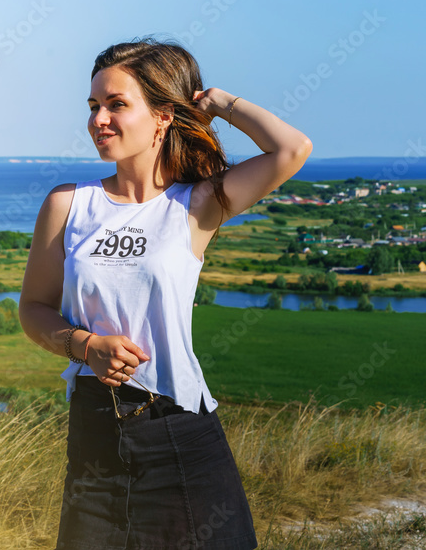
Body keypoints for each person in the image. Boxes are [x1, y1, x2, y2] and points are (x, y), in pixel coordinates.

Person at [19, 36, 312, 549]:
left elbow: (291, 149)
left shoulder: (199, 202)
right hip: (95, 436)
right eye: (93, 106)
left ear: (161, 117)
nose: (98, 120)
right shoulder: (67, 204)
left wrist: (216, 103)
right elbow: (33, 309)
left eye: (116, 105)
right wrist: (84, 346)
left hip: (178, 431)